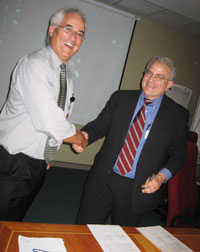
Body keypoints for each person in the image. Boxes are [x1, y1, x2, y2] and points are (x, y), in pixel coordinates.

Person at [73, 56, 189, 226]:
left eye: (159, 76)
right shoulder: (121, 98)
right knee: (85, 231)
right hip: (104, 177)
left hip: (138, 187)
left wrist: (161, 177)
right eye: (149, 73)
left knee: (123, 241)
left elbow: (179, 154)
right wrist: (83, 138)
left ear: (169, 85)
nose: (151, 79)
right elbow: (99, 126)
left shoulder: (177, 115)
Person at [0, 8, 88, 221]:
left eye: (80, 34)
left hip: (37, 163)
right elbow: (50, 120)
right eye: (68, 29)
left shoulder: (65, 73)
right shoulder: (35, 65)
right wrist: (79, 138)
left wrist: (48, 153)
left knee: (14, 221)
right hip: (13, 164)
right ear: (52, 30)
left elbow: (59, 115)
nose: (74, 38)